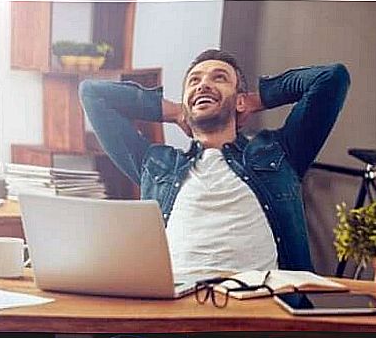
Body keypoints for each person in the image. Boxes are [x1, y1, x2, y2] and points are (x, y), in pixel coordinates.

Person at [78, 49, 350, 273]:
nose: (204, 84)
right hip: (176, 315)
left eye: (219, 78)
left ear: (240, 100)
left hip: (262, 313)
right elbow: (92, 93)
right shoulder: (157, 164)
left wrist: (257, 99)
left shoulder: (280, 153)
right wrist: (174, 111)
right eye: (194, 81)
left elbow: (331, 78)